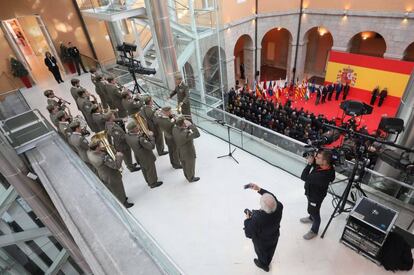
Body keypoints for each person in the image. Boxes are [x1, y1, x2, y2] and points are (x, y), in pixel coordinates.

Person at [244, 183, 283, 272]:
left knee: (262, 253)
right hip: (274, 235)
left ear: (262, 206)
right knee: (271, 250)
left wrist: (248, 220)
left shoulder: (257, 219)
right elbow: (272, 198)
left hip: (262, 241)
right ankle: (268, 260)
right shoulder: (279, 206)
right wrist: (259, 189)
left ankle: (263, 264)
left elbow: (248, 234)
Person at [300, 150, 335, 240]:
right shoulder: (327, 167)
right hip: (311, 192)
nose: (315, 158)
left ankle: (314, 230)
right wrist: (313, 161)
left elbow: (304, 177)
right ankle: (311, 218)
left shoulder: (322, 176)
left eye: (318, 158)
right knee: (312, 209)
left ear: (324, 161)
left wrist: (309, 164)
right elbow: (317, 164)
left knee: (314, 212)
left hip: (315, 197)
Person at [87, 140, 134, 208]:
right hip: (111, 175)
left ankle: (123, 198)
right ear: (97, 148)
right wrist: (119, 156)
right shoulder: (102, 157)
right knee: (118, 189)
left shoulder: (89, 153)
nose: (101, 146)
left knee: (116, 189)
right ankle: (123, 203)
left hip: (103, 174)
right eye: (99, 146)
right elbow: (116, 166)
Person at [125, 121, 163, 188]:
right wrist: (151, 136)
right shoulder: (140, 139)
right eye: (137, 126)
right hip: (146, 156)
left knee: (144, 169)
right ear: (134, 129)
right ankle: (153, 183)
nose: (138, 127)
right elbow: (152, 146)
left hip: (138, 155)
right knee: (150, 169)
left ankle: (148, 181)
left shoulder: (127, 136)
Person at [172, 116, 200, 182]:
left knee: (184, 165)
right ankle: (191, 178)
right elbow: (197, 134)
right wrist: (190, 125)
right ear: (183, 124)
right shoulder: (185, 134)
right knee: (190, 164)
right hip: (188, 152)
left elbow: (180, 128)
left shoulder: (174, 129)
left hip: (180, 151)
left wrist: (185, 126)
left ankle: (187, 176)